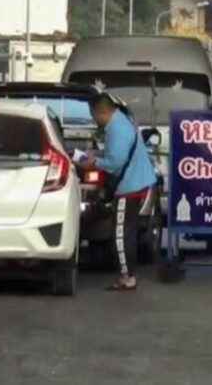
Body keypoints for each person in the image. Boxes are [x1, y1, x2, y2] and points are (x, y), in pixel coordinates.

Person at [81, 92, 156, 291]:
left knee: (121, 233)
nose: (94, 120)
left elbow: (115, 163)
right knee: (126, 230)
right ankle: (128, 273)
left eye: (94, 115)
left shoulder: (117, 129)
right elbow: (115, 153)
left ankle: (127, 276)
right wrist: (98, 153)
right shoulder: (123, 121)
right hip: (137, 182)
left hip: (129, 187)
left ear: (102, 112)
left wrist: (94, 162)